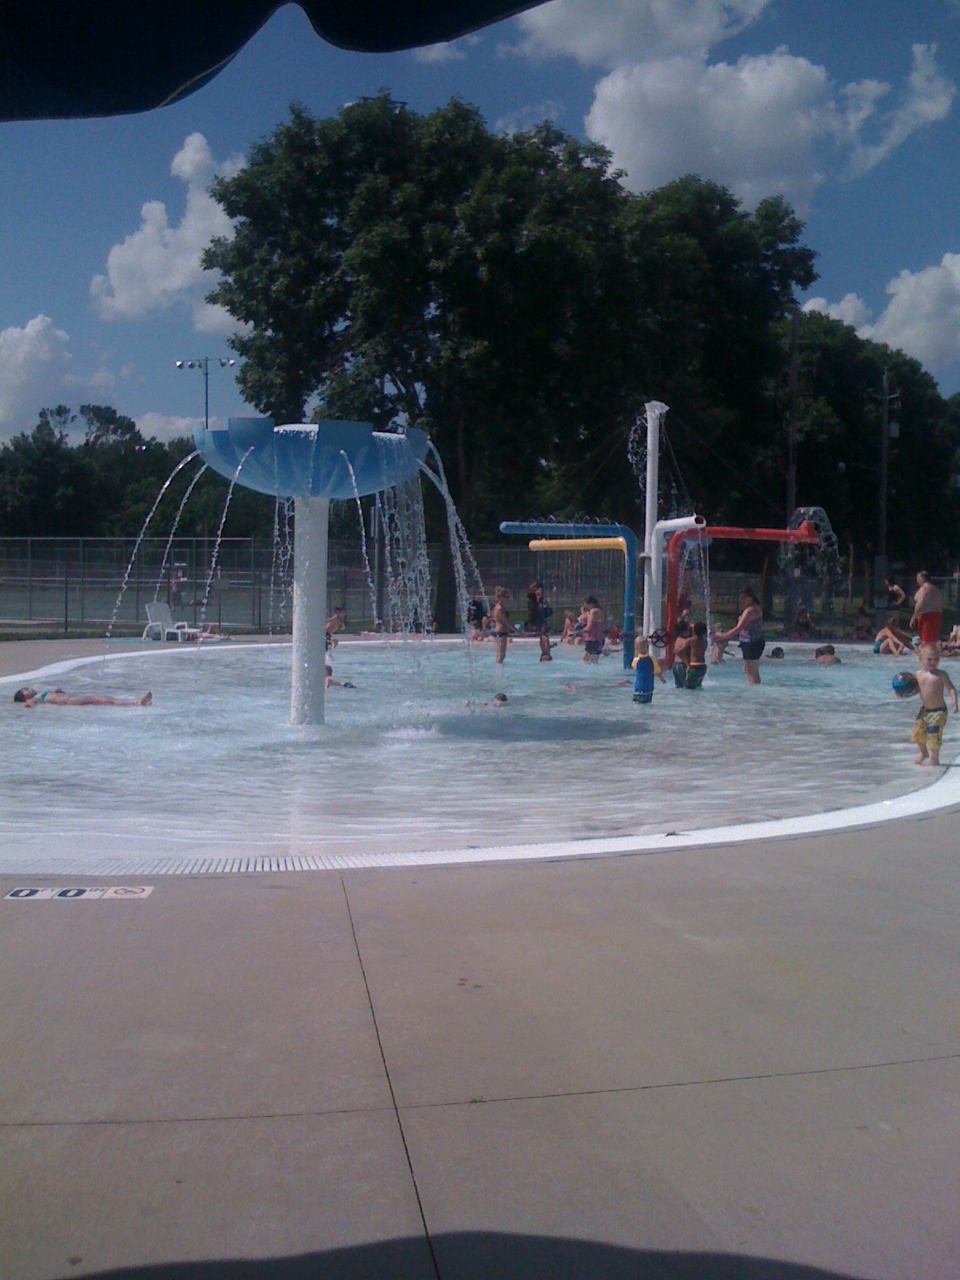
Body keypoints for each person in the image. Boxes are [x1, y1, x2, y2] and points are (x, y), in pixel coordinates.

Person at [908, 644, 958, 766]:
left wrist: (954, 701)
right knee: (918, 733)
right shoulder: (917, 675)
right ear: (920, 659)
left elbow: (951, 688)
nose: (933, 662)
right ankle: (924, 753)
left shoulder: (941, 675)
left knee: (933, 735)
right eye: (929, 659)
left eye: (936, 659)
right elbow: (913, 690)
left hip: (939, 711)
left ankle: (934, 759)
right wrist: (903, 694)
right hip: (925, 711)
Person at [713, 587, 765, 684]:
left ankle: (754, 693)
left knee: (751, 672)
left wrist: (722, 636)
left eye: (744, 598)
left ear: (751, 598)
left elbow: (738, 628)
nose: (741, 600)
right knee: (750, 671)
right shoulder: (755, 607)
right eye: (740, 598)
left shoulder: (750, 611)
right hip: (753, 642)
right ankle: (754, 690)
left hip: (751, 643)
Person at [14, 687, 152, 706]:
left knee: (103, 700)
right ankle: (135, 703)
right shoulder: (35, 698)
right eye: (24, 691)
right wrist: (28, 704)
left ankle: (136, 703)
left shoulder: (40, 694)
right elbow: (29, 704)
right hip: (69, 701)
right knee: (102, 700)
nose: (28, 689)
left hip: (70, 700)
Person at [909, 571, 942, 645]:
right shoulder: (936, 589)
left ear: (922, 578)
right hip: (936, 615)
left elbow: (920, 603)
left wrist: (914, 617)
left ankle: (926, 655)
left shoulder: (924, 589)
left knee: (925, 642)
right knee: (933, 641)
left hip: (926, 617)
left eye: (917, 578)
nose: (917, 581)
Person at [631, 635, 665, 704]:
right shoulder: (652, 660)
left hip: (637, 689)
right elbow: (657, 672)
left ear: (636, 648)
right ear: (647, 647)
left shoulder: (636, 660)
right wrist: (662, 679)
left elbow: (633, 667)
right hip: (647, 689)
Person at [676, 620, 708, 688]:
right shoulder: (705, 642)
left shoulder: (691, 640)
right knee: (698, 687)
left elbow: (680, 652)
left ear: (694, 630)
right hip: (703, 666)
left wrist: (687, 663)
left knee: (689, 688)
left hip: (694, 666)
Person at [580, 595, 605, 663]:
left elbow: (589, 627)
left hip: (593, 640)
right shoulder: (600, 611)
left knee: (583, 661)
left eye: (585, 604)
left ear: (590, 604)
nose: (585, 606)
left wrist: (578, 631)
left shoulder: (593, 611)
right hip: (599, 639)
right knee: (593, 662)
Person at [490, 587, 511, 664]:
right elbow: (507, 622)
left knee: (500, 655)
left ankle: (499, 671)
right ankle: (498, 672)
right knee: (500, 656)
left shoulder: (497, 607)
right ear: (501, 597)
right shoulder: (500, 608)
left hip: (501, 632)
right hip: (501, 632)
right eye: (506, 597)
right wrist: (518, 632)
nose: (507, 599)